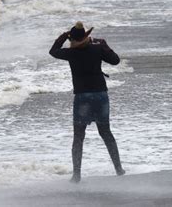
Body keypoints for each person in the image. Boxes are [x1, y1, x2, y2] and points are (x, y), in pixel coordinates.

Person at [49, 21, 125, 183]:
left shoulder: (70, 53)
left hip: (82, 97)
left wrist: (64, 36)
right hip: (100, 95)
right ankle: (118, 169)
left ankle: (76, 175)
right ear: (86, 36)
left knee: (78, 137)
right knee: (105, 133)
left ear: (73, 40)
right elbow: (115, 60)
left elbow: (53, 51)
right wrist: (104, 45)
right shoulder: (98, 47)